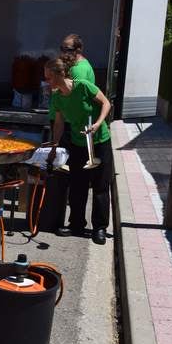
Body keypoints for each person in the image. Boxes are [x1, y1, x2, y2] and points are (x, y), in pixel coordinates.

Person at [45, 58, 113, 245]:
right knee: (77, 184)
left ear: (60, 74)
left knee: (100, 185)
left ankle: (99, 228)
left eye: (49, 77)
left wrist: (98, 124)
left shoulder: (83, 86)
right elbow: (59, 123)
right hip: (77, 142)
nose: (47, 81)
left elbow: (106, 103)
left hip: (98, 141)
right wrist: (54, 146)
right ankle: (76, 224)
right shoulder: (57, 97)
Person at [49, 34, 96, 144]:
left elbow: (73, 97)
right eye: (62, 49)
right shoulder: (79, 65)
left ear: (79, 50)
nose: (63, 52)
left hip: (66, 121)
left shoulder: (78, 70)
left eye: (68, 49)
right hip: (63, 118)